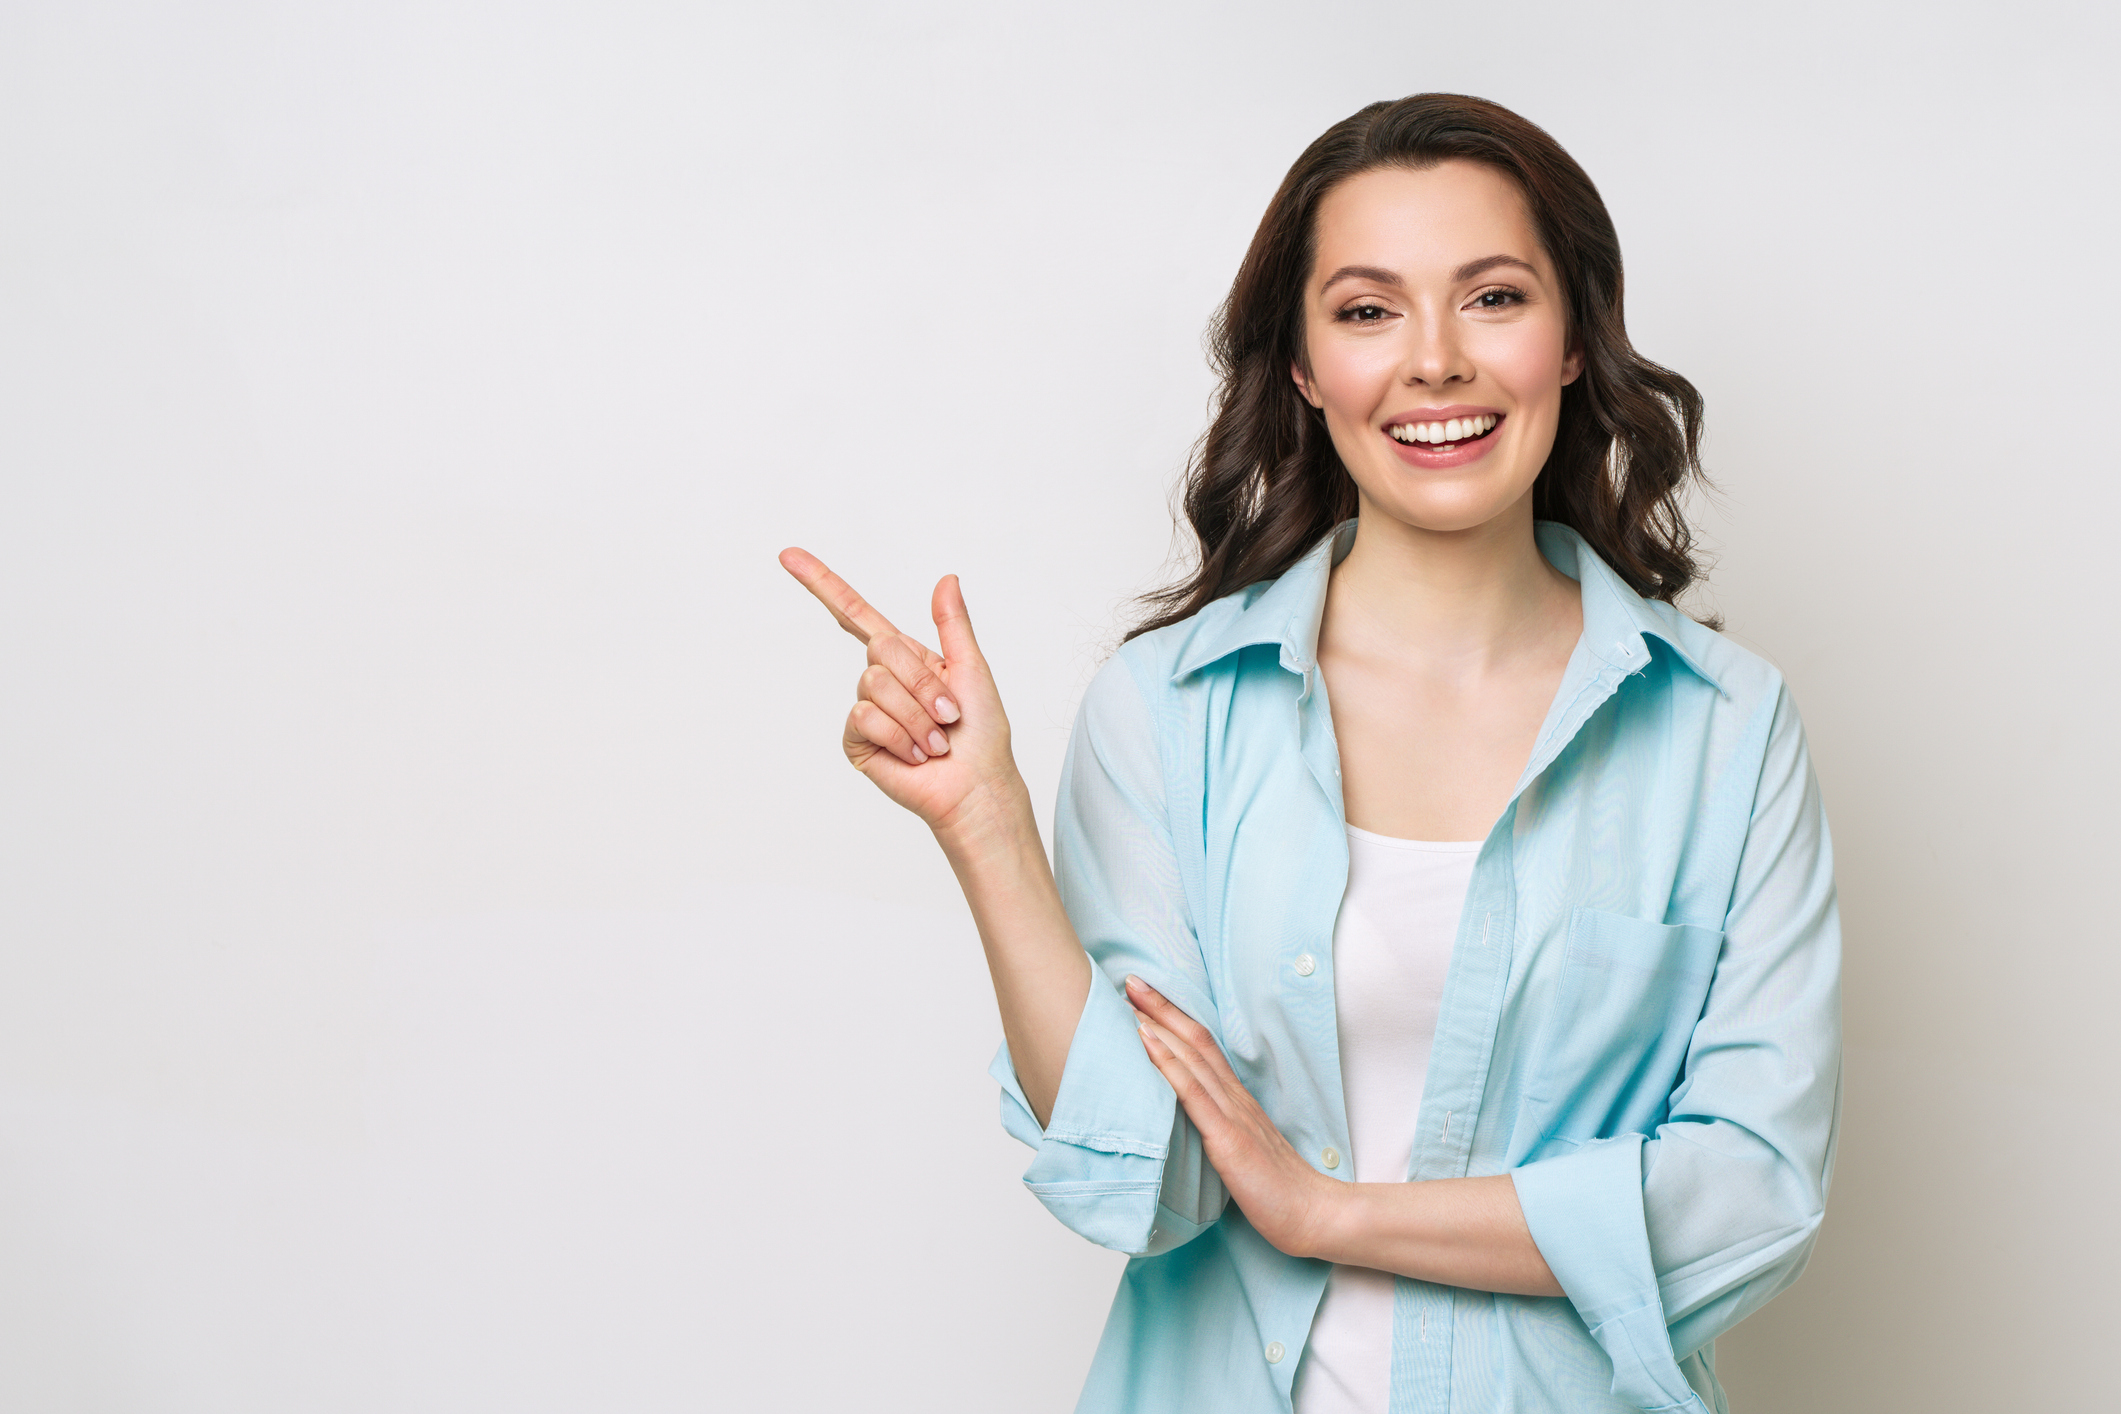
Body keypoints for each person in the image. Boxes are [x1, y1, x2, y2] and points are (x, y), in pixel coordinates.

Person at [781, 93, 1840, 1414]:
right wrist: (984, 827)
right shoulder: (1167, 708)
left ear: (1571, 340)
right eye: (1365, 310)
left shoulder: (1723, 731)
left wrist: (1325, 1213)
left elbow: (1746, 1198)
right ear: (1298, 365)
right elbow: (1140, 1181)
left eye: (1493, 297)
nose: (1435, 361)